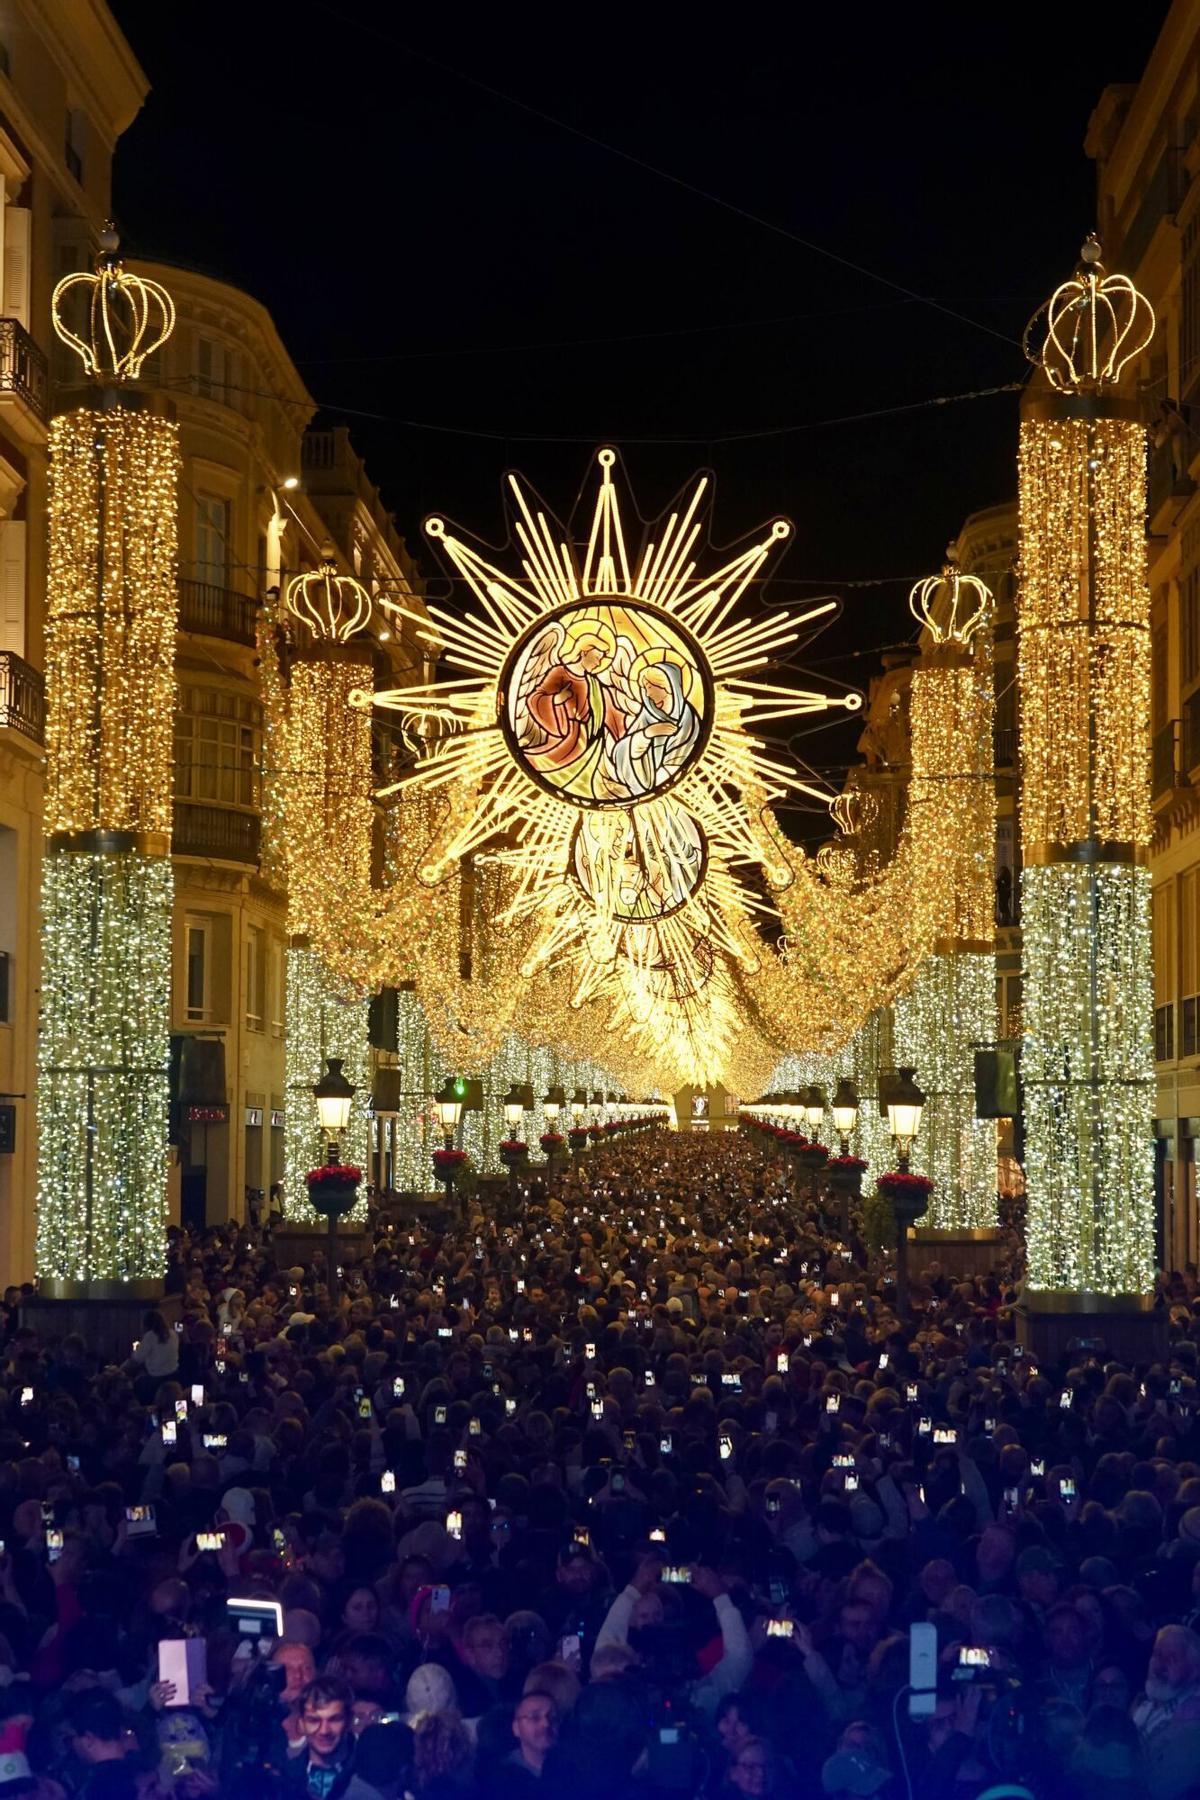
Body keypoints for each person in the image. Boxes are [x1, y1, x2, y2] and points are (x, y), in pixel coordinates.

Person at [287, 1675, 384, 1800]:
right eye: (314, 1720)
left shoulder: (372, 1773)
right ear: (301, 1724)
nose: (324, 1730)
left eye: (334, 1719)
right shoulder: (287, 1775)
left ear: (348, 1721)